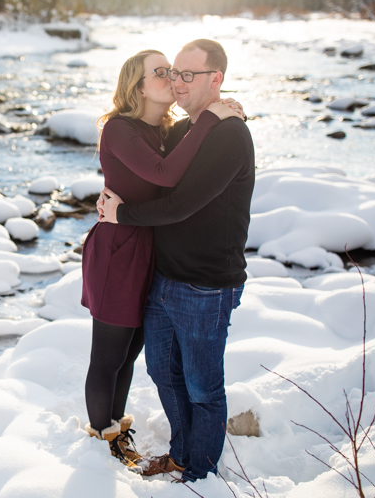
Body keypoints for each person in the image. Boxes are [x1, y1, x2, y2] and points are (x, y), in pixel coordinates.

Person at [97, 39, 255, 483]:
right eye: (172, 73)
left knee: (203, 385)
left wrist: (121, 214)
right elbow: (143, 166)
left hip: (205, 284)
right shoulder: (183, 129)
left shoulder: (229, 135)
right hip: (164, 277)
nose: (177, 83)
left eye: (188, 75)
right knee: (163, 371)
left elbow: (179, 205)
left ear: (215, 79)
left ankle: (199, 471)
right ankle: (181, 453)